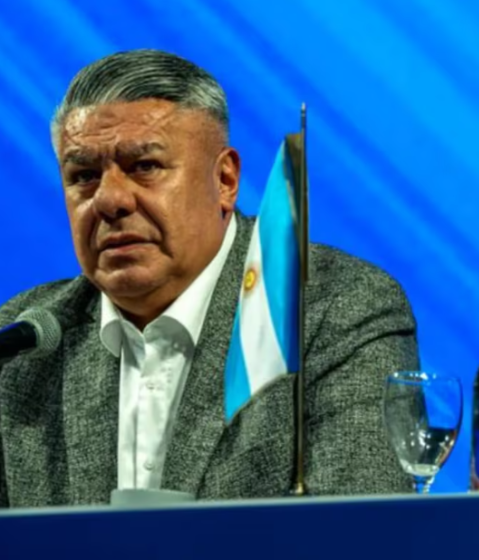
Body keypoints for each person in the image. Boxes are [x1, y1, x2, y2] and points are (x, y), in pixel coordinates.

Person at [0, 49, 419, 507]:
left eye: (145, 167)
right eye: (83, 175)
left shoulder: (331, 311)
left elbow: (356, 529)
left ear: (224, 180)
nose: (110, 200)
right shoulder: (21, 344)